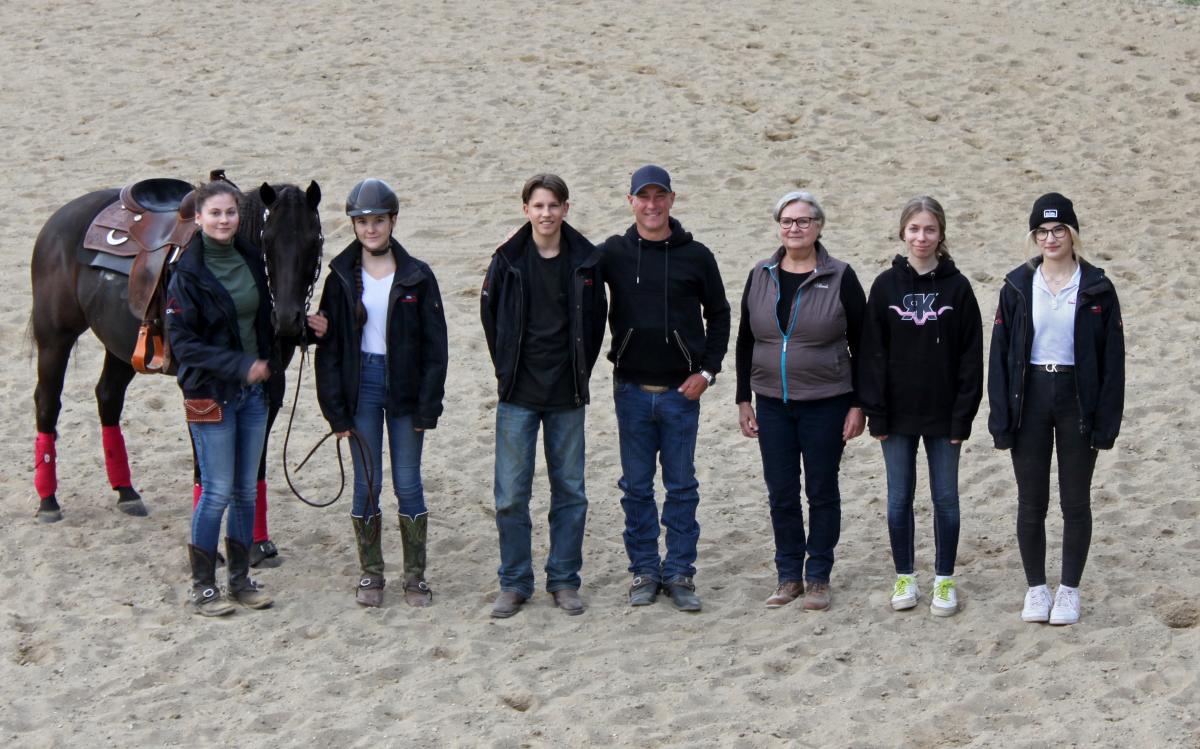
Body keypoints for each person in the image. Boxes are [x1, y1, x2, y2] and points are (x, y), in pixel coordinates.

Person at [309, 179, 448, 608]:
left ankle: (415, 576)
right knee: (366, 483)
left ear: (393, 221)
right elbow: (329, 352)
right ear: (353, 225)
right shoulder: (339, 278)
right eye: (362, 221)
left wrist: (428, 407)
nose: (370, 229)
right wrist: (335, 413)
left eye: (378, 221)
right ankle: (371, 572)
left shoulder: (418, 275)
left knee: (408, 481)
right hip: (362, 384)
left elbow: (436, 348)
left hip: (405, 386)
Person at [988, 193, 1124, 626]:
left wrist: (1107, 423)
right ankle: (1036, 588)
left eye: (1058, 230)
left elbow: (1113, 360)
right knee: (1031, 502)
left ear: (1072, 233)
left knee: (1075, 501)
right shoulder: (1017, 285)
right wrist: (1000, 419)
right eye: (1042, 232)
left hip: (1076, 397)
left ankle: (1068, 590)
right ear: (1034, 237)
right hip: (1029, 396)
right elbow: (1000, 355)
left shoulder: (1097, 286)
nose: (1050, 238)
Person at [599, 165, 730, 612]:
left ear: (672, 199)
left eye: (660, 196)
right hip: (631, 390)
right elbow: (563, 258)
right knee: (636, 487)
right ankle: (643, 570)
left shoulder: (696, 255)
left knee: (681, 486)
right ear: (631, 202)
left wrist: (708, 372)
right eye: (644, 197)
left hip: (681, 393)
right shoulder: (613, 252)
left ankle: (679, 572)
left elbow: (720, 314)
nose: (652, 205)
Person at [480, 174, 607, 618]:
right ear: (526, 210)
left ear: (566, 209)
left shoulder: (586, 261)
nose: (546, 213)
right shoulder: (507, 259)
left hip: (566, 393)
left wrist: (578, 371)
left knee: (570, 492)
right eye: (538, 206)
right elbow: (490, 316)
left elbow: (596, 323)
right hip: (518, 392)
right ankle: (515, 582)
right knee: (511, 495)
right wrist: (506, 370)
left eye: (553, 205)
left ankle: (564, 580)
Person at [735, 190, 866, 612]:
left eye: (804, 221)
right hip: (772, 402)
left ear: (819, 226)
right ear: (779, 226)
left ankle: (819, 576)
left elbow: (864, 344)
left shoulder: (841, 276)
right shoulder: (760, 274)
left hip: (827, 401)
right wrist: (743, 398)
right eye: (787, 221)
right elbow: (745, 340)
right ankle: (789, 575)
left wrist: (858, 404)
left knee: (822, 490)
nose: (795, 228)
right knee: (782, 492)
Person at [858, 196, 983, 617]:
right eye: (914, 229)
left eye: (930, 229)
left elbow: (971, 358)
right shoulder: (885, 286)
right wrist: (876, 412)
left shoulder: (958, 288)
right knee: (899, 498)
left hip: (944, 415)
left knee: (946, 498)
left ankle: (944, 579)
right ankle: (905, 576)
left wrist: (962, 417)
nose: (921, 237)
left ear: (941, 233)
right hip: (896, 415)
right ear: (902, 232)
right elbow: (871, 354)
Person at [166, 179, 276, 616]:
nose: (224, 220)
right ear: (198, 218)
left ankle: (240, 580)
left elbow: (261, 319)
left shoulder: (249, 257)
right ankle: (203, 588)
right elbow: (183, 345)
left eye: (230, 212)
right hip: (210, 395)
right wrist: (239, 365)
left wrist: (306, 329)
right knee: (216, 492)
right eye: (215, 213)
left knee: (246, 491)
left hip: (253, 394)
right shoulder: (186, 273)